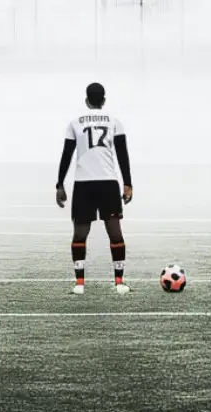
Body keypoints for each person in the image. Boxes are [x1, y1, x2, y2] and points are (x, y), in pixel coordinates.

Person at [55, 82, 133, 295]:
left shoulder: (75, 123)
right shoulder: (115, 122)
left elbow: (67, 153)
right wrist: (128, 184)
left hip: (84, 184)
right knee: (115, 232)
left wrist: (60, 184)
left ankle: (79, 284)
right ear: (104, 100)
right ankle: (119, 283)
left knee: (80, 233)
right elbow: (122, 153)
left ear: (87, 100)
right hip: (108, 182)